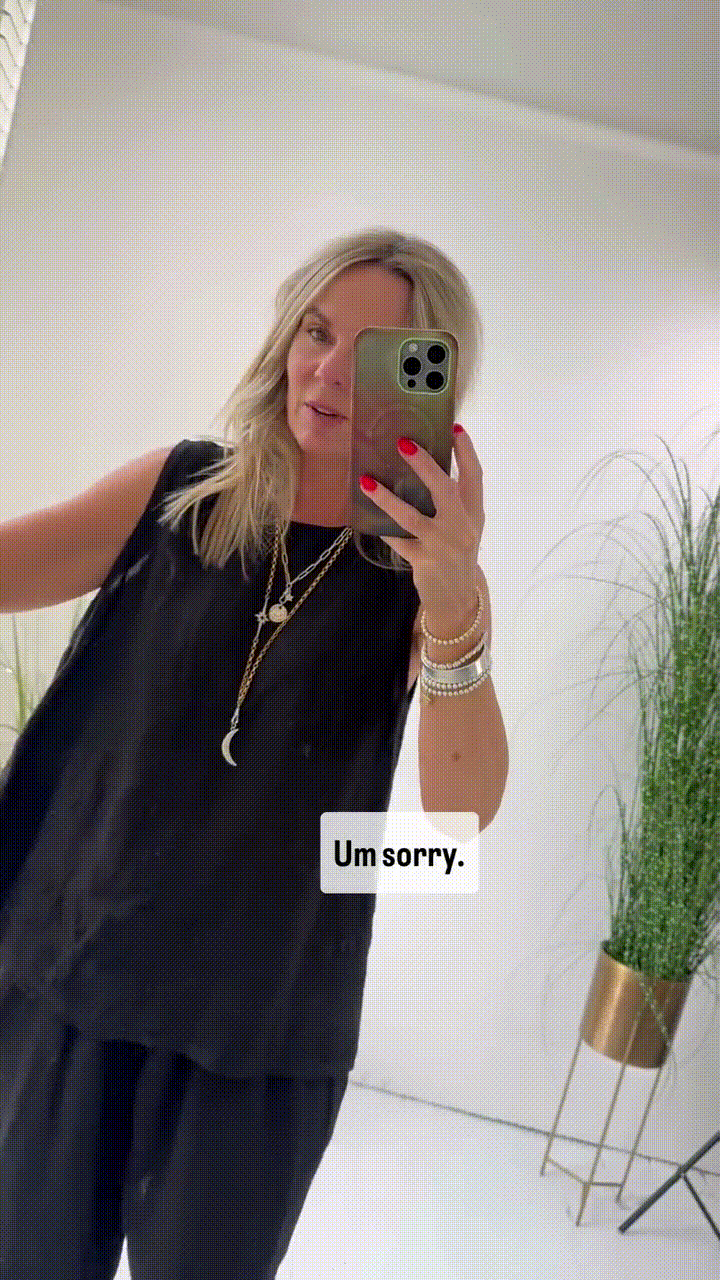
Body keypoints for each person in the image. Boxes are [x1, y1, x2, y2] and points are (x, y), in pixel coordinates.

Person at [0, 229, 508, 1279]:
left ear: (427, 382)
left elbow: (461, 816)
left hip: (259, 1028)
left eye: (372, 355)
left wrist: (454, 598)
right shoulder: (179, 492)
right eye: (315, 332)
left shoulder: (421, 577)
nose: (326, 372)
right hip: (77, 974)